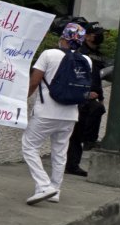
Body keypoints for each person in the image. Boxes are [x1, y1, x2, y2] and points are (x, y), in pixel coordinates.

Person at [23, 23, 94, 205]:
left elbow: (34, 82)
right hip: (70, 113)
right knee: (60, 152)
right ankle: (55, 190)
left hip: (46, 111)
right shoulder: (87, 60)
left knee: (29, 147)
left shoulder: (49, 54)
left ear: (63, 37)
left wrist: (22, 100)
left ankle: (44, 185)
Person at [66, 24, 107, 176]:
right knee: (77, 132)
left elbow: (98, 78)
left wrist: (101, 96)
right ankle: (72, 163)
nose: (99, 37)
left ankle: (73, 162)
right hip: (81, 95)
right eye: (96, 34)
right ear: (88, 36)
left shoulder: (98, 54)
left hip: (93, 94)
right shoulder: (80, 52)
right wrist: (85, 92)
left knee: (94, 114)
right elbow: (77, 75)